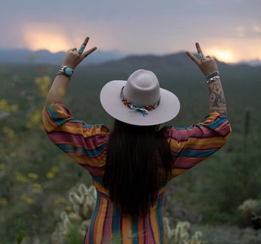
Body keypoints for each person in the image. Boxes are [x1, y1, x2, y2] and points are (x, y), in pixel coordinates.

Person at [42, 37, 231, 243]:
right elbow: (218, 128)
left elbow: (53, 117)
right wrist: (212, 76)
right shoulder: (171, 150)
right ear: (158, 110)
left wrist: (66, 68)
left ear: (119, 109)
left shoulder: (97, 148)